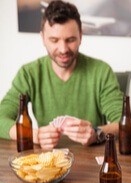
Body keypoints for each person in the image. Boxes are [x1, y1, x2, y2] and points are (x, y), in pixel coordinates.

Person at [0, 1, 123, 149]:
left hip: (91, 160)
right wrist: (34, 135)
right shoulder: (29, 73)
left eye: (70, 40)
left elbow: (123, 123)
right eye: (54, 40)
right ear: (43, 38)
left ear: (81, 37)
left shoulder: (101, 71)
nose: (63, 49)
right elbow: (1, 118)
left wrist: (96, 133)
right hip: (48, 161)